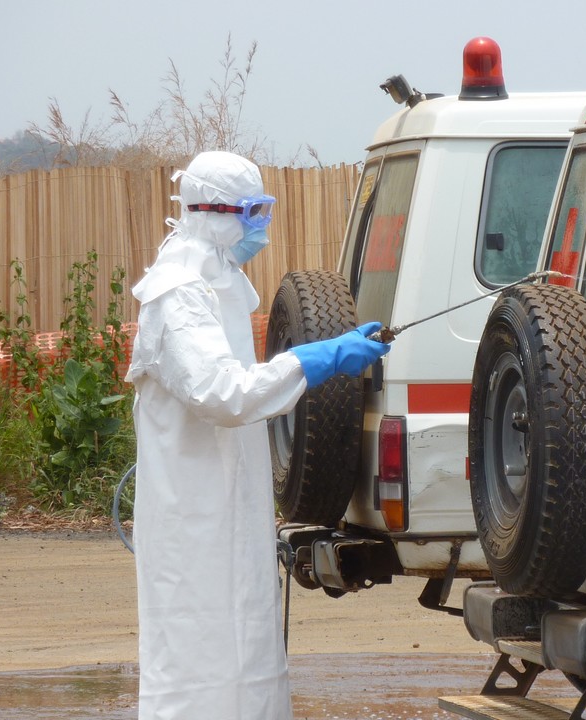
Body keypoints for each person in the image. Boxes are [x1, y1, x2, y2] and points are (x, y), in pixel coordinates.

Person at [125, 150, 389, 720]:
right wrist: (312, 361)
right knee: (198, 662)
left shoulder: (218, 284)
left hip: (230, 511)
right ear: (213, 212)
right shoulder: (177, 294)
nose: (260, 227)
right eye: (253, 212)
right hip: (192, 522)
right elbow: (224, 393)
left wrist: (321, 355)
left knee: (247, 655)